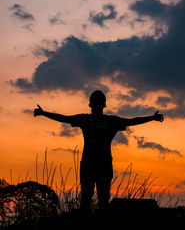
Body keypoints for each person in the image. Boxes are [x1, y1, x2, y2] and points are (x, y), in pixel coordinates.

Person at [34, 90, 164, 211]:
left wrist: (151, 118)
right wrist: (44, 113)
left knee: (100, 201)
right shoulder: (92, 120)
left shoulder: (107, 121)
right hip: (91, 165)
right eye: (96, 103)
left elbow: (131, 121)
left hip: (101, 165)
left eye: (98, 103)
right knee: (88, 200)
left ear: (94, 104)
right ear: (96, 104)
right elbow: (65, 118)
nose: (96, 106)